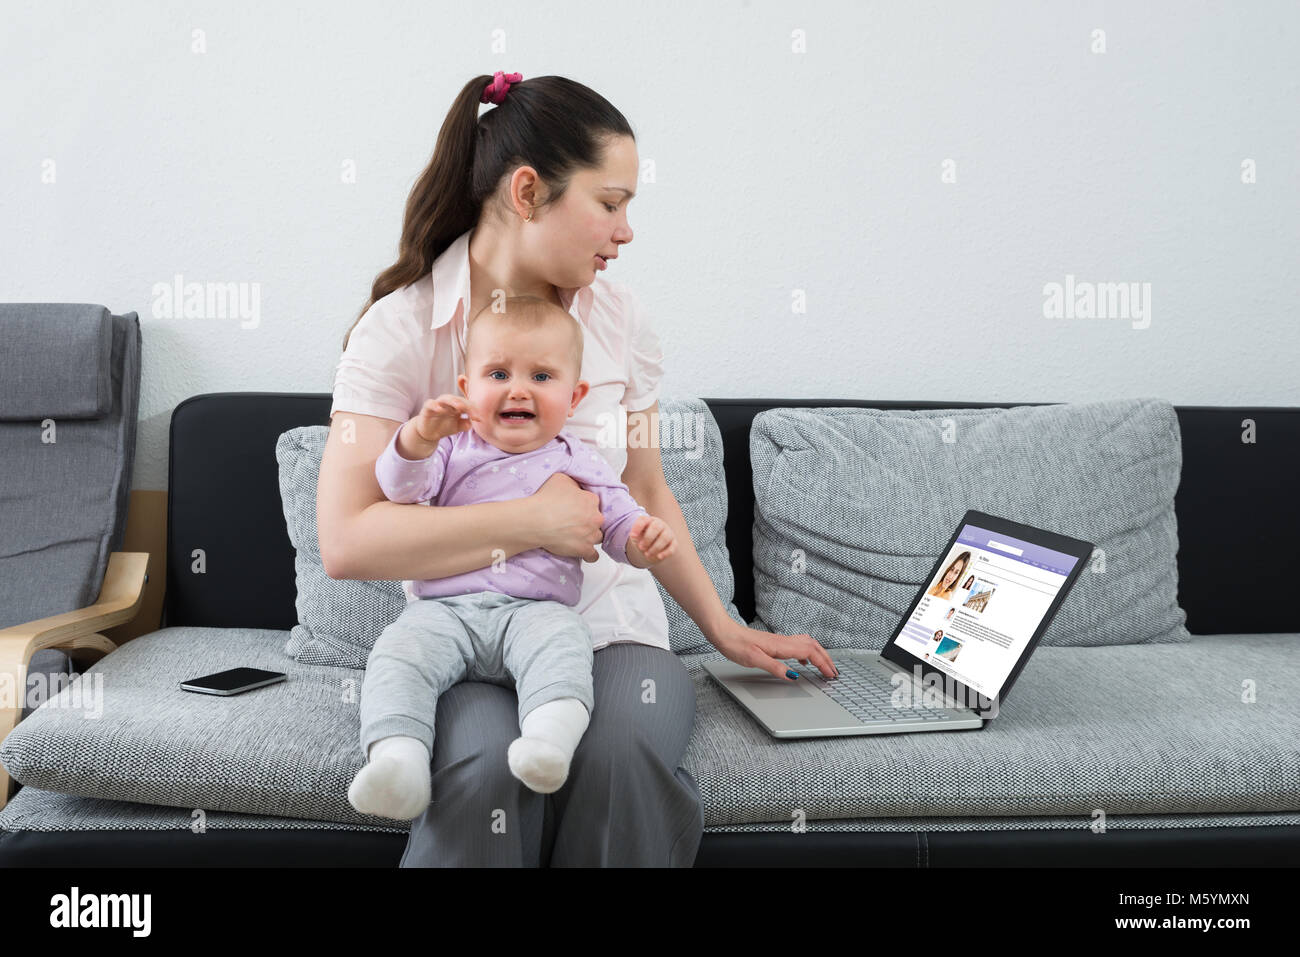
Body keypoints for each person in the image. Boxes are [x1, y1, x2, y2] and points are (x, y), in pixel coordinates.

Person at [318, 71, 837, 867]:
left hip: (615, 633)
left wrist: (727, 628)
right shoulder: (399, 331)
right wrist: (530, 522)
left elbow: (648, 489)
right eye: (610, 202)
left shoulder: (622, 321)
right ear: (528, 192)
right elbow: (348, 539)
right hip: (467, 635)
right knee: (484, 766)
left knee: (620, 757)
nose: (625, 231)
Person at [348, 296, 678, 819]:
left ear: (575, 398)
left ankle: (548, 741)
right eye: (498, 373)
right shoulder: (453, 449)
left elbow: (617, 524)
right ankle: (398, 760)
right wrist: (417, 437)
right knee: (397, 657)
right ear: (466, 389)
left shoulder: (580, 459)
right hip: (445, 611)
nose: (518, 389)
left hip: (536, 611)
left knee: (563, 649)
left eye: (542, 377)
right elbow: (401, 489)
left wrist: (644, 542)